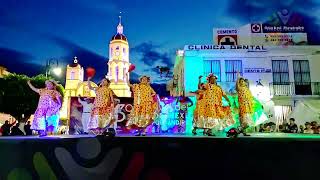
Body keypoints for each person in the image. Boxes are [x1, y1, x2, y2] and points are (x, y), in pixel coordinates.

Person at [235, 72, 254, 136]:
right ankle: (240, 129)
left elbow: (250, 97)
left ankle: (242, 131)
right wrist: (238, 77)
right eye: (241, 81)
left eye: (243, 81)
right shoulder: (239, 89)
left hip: (248, 106)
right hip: (243, 106)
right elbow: (237, 84)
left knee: (247, 122)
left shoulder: (247, 89)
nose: (242, 82)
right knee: (245, 122)